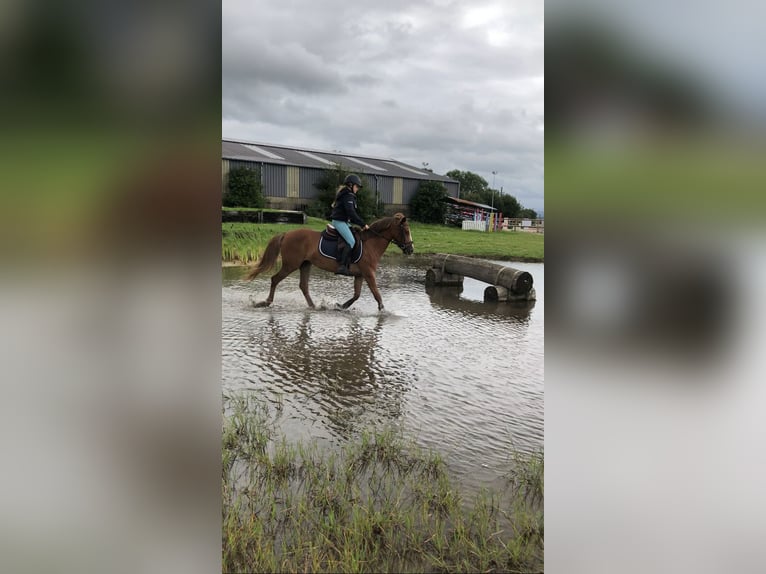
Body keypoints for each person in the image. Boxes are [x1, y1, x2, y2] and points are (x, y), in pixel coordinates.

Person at [330, 174, 369, 275]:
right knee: (351, 241)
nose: (358, 189)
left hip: (344, 222)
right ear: (350, 185)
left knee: (355, 236)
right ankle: (342, 266)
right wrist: (363, 224)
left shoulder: (348, 194)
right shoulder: (347, 196)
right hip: (339, 222)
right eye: (357, 187)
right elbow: (351, 213)